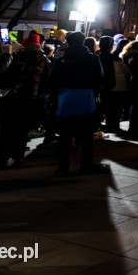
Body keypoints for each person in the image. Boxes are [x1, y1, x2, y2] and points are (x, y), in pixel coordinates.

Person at [49, 31, 108, 176]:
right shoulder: (92, 58)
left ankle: (63, 167)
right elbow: (99, 78)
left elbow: (53, 81)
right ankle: (87, 164)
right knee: (86, 135)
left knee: (65, 136)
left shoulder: (61, 60)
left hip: (65, 99)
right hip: (85, 98)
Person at [0, 32, 49, 168]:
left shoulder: (18, 56)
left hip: (13, 97)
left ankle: (2, 158)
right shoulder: (43, 60)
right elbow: (47, 80)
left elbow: (6, 75)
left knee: (8, 129)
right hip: (30, 98)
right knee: (22, 130)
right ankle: (18, 158)